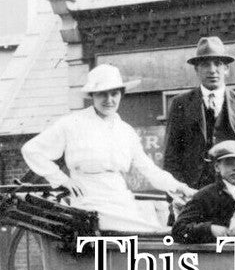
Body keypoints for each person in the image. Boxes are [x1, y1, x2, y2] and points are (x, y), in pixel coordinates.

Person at [22, 64, 195, 231]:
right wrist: (62, 180)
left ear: (121, 94)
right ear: (92, 95)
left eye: (114, 93)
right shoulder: (72, 124)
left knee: (149, 232)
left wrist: (179, 187)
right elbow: (32, 150)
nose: (109, 100)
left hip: (120, 200)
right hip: (88, 202)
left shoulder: (125, 131)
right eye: (102, 94)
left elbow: (148, 169)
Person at [163, 36, 235, 189]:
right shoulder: (180, 103)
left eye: (218, 64)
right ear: (196, 69)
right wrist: (179, 190)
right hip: (193, 188)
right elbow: (171, 156)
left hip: (233, 187)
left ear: (226, 69)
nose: (212, 70)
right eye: (205, 64)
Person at [171, 140, 235, 244]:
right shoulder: (205, 195)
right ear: (217, 167)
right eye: (229, 163)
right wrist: (210, 229)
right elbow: (179, 230)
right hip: (217, 256)